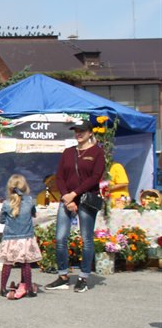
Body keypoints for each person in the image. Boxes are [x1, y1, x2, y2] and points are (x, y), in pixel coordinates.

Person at [46, 119, 105, 293]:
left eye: (82, 131)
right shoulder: (68, 152)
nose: (78, 134)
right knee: (60, 238)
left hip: (86, 199)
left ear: (90, 132)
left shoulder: (97, 152)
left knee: (86, 239)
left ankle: (83, 277)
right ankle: (63, 276)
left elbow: (95, 177)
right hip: (67, 199)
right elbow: (60, 176)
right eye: (76, 131)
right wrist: (67, 197)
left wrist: (74, 194)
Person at [0, 174, 42, 300]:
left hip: (10, 238)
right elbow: (33, 214)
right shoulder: (29, 201)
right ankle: (28, 289)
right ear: (25, 187)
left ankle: (2, 288)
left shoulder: (6, 204)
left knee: (8, 263)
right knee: (25, 264)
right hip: (26, 238)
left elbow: (1, 220)